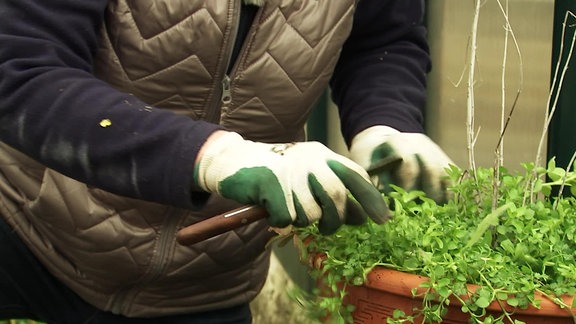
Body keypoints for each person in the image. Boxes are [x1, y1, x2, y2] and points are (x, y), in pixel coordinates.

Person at [0, 0, 453, 323]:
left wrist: (386, 123)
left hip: (201, 282)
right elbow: (23, 69)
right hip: (27, 226)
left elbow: (382, 39)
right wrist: (212, 156)